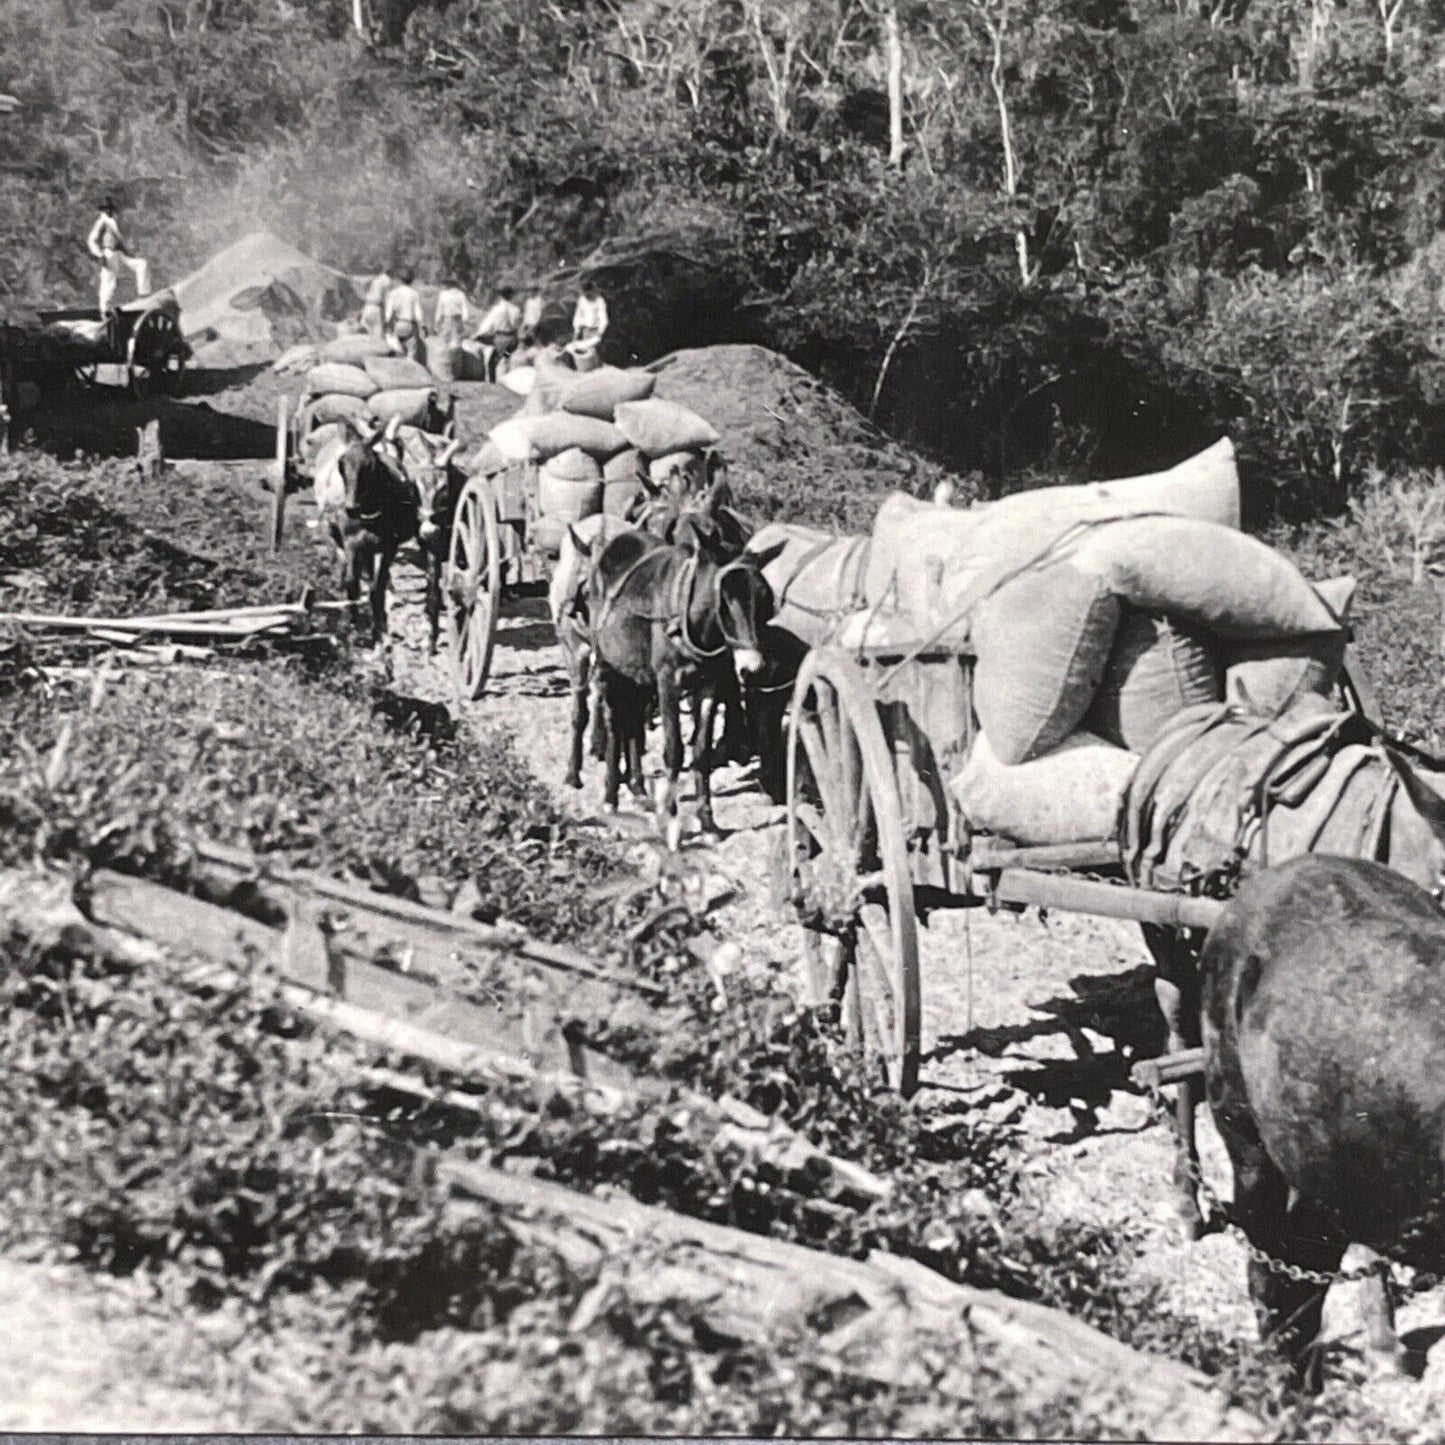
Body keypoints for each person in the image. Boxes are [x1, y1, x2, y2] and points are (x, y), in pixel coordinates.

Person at [87, 197, 151, 313]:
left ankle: (144, 294)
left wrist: (129, 250)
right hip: (109, 254)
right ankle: (104, 311)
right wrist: (100, 255)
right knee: (108, 283)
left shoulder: (116, 221)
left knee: (142, 264)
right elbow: (91, 241)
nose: (109, 211)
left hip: (120, 254)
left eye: (110, 209)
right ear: (103, 211)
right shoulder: (102, 222)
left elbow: (122, 240)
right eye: (106, 209)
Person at [473, 284, 523, 382]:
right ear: (512, 296)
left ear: (501, 296)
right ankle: (507, 379)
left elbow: (488, 324)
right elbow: (516, 324)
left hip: (500, 338)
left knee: (492, 362)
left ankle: (493, 382)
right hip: (512, 339)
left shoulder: (497, 309)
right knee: (507, 357)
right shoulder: (515, 310)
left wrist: (478, 334)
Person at [384, 265, 426, 361]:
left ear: (399, 280)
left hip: (397, 324)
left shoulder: (393, 293)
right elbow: (418, 313)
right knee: (412, 352)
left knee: (395, 348)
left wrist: (388, 326)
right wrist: (422, 326)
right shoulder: (414, 293)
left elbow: (388, 314)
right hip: (410, 325)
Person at [433, 277, 471, 349]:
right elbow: (465, 309)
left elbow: (440, 309)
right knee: (457, 340)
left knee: (444, 340)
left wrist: (437, 321)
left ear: (448, 285)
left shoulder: (443, 294)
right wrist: (465, 320)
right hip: (458, 320)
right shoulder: (461, 294)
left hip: (448, 319)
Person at [571, 278, 608, 349]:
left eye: (589, 295)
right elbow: (578, 315)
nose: (587, 297)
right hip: (586, 330)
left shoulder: (599, 301)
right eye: (586, 295)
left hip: (596, 331)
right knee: (583, 349)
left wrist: (600, 332)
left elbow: (603, 318)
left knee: (593, 351)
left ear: (593, 291)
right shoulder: (582, 300)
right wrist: (576, 331)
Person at [361, 265, 393, 340]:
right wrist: (388, 317)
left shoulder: (374, 279)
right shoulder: (386, 280)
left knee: (369, 338)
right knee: (377, 340)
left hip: (366, 308)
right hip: (375, 310)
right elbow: (387, 300)